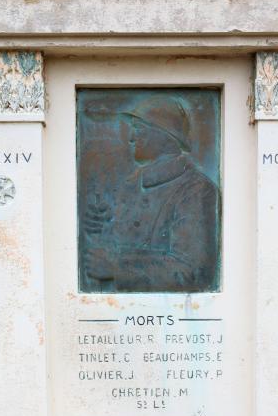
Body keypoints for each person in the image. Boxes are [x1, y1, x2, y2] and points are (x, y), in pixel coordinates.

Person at [83, 94, 220, 292]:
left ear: (162, 134)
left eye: (138, 130)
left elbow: (192, 271)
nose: (131, 138)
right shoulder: (131, 184)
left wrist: (117, 268)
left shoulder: (198, 191)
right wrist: (101, 225)